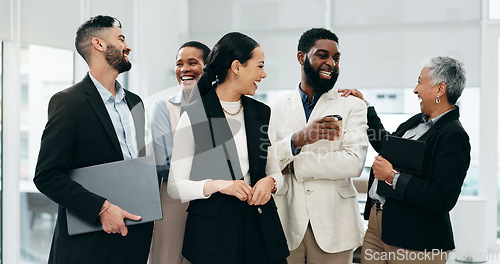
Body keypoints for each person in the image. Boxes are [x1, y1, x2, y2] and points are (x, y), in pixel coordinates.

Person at [33, 15, 153, 264]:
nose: (127, 46)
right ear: (98, 44)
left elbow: (134, 165)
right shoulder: (68, 102)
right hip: (88, 245)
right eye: (121, 39)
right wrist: (102, 209)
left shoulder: (136, 103)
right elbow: (47, 176)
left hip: (134, 239)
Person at [167, 32, 289, 264]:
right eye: (260, 66)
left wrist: (270, 182)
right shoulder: (194, 115)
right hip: (213, 236)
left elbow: (275, 172)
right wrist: (218, 185)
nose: (264, 74)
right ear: (236, 67)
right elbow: (175, 186)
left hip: (261, 231)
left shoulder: (262, 113)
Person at [339, 56, 470, 264]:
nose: (415, 90)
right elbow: (387, 147)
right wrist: (366, 109)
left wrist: (392, 177)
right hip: (377, 227)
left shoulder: (453, 136)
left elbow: (443, 198)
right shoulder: (416, 122)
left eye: (420, 81)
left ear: (440, 89)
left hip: (416, 240)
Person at [268, 28, 368, 264]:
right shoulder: (274, 108)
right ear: (301, 57)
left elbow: (354, 162)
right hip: (286, 224)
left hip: (335, 226)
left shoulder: (352, 105)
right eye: (322, 55)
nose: (331, 63)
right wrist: (298, 140)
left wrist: (294, 164)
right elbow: (267, 159)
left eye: (336, 58)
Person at [149, 41, 210, 264]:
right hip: (173, 203)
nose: (184, 69)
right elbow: (164, 162)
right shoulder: (164, 107)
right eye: (179, 64)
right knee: (167, 257)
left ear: (208, 67)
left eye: (192, 63)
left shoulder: (219, 109)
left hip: (211, 202)